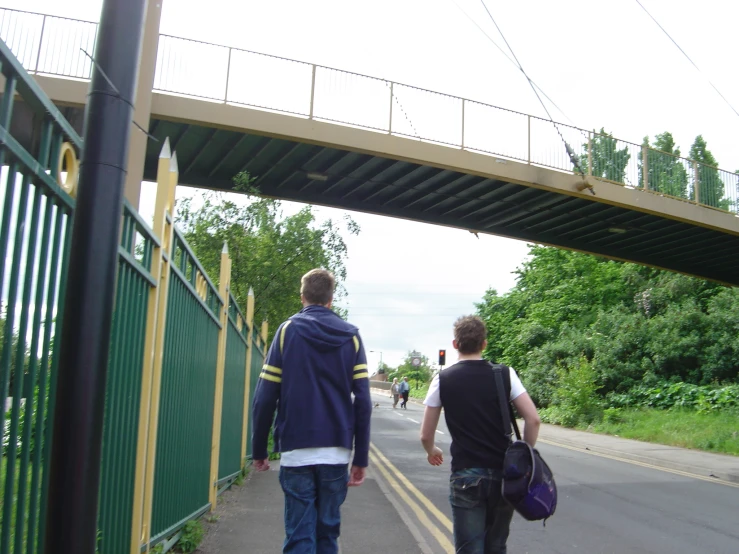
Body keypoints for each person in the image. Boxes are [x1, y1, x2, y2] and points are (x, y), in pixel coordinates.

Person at [251, 268, 372, 554]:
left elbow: (265, 397)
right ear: (331, 299)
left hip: (296, 449)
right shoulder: (352, 337)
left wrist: (259, 450)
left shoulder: (286, 332)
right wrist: (361, 458)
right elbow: (363, 401)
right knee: (327, 533)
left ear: (302, 296)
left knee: (299, 536)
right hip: (336, 452)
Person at [420, 315, 541, 554]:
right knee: (496, 546)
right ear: (484, 344)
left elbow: (425, 434)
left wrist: (432, 450)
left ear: (455, 345)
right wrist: (525, 454)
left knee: (469, 549)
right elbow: (533, 419)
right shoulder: (505, 373)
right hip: (504, 474)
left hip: (466, 474)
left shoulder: (442, 379)